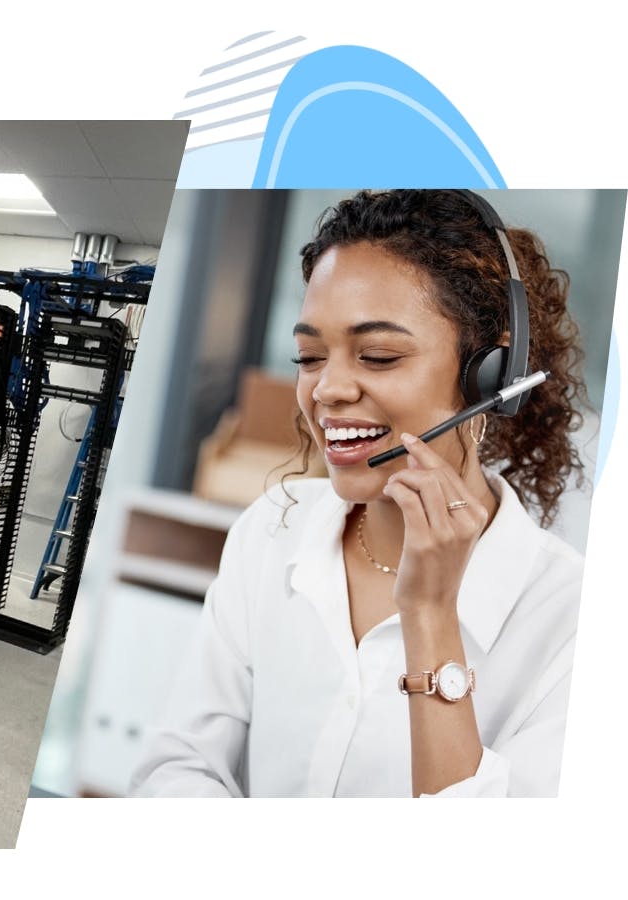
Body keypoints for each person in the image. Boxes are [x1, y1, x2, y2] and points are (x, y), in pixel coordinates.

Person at [131, 190, 586, 797]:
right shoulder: (272, 531)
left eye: (376, 356)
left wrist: (430, 616)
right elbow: (176, 767)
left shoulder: (572, 622)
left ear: (492, 375)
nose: (328, 389)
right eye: (310, 356)